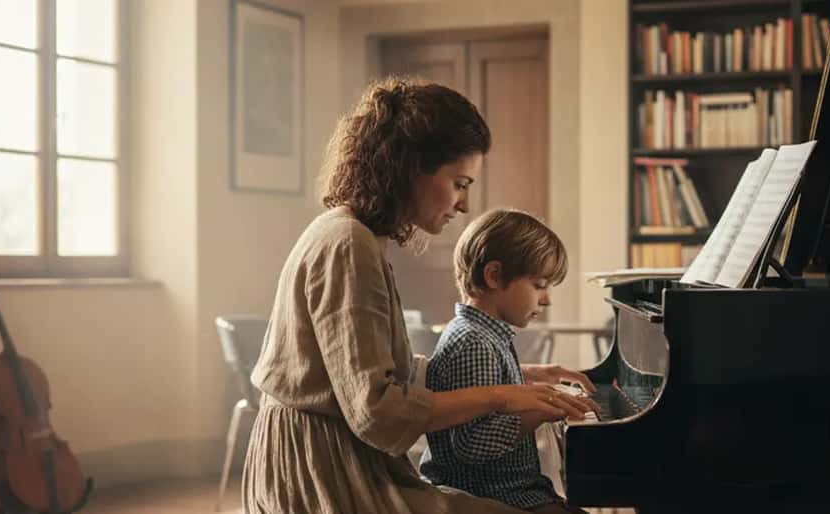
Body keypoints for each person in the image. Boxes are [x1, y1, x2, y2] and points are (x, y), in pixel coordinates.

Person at [241, 77, 598, 514]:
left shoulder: (357, 234)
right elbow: (377, 411)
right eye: (460, 183)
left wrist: (519, 376)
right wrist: (501, 396)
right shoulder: (349, 243)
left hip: (336, 452)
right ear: (412, 168)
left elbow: (375, 372)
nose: (465, 204)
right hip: (320, 471)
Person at [420, 208, 594, 514]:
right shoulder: (474, 342)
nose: (547, 299)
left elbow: (486, 388)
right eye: (539, 285)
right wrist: (542, 411)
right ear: (495, 276)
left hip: (511, 489)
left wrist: (530, 376)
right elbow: (473, 444)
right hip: (492, 496)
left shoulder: (481, 333)